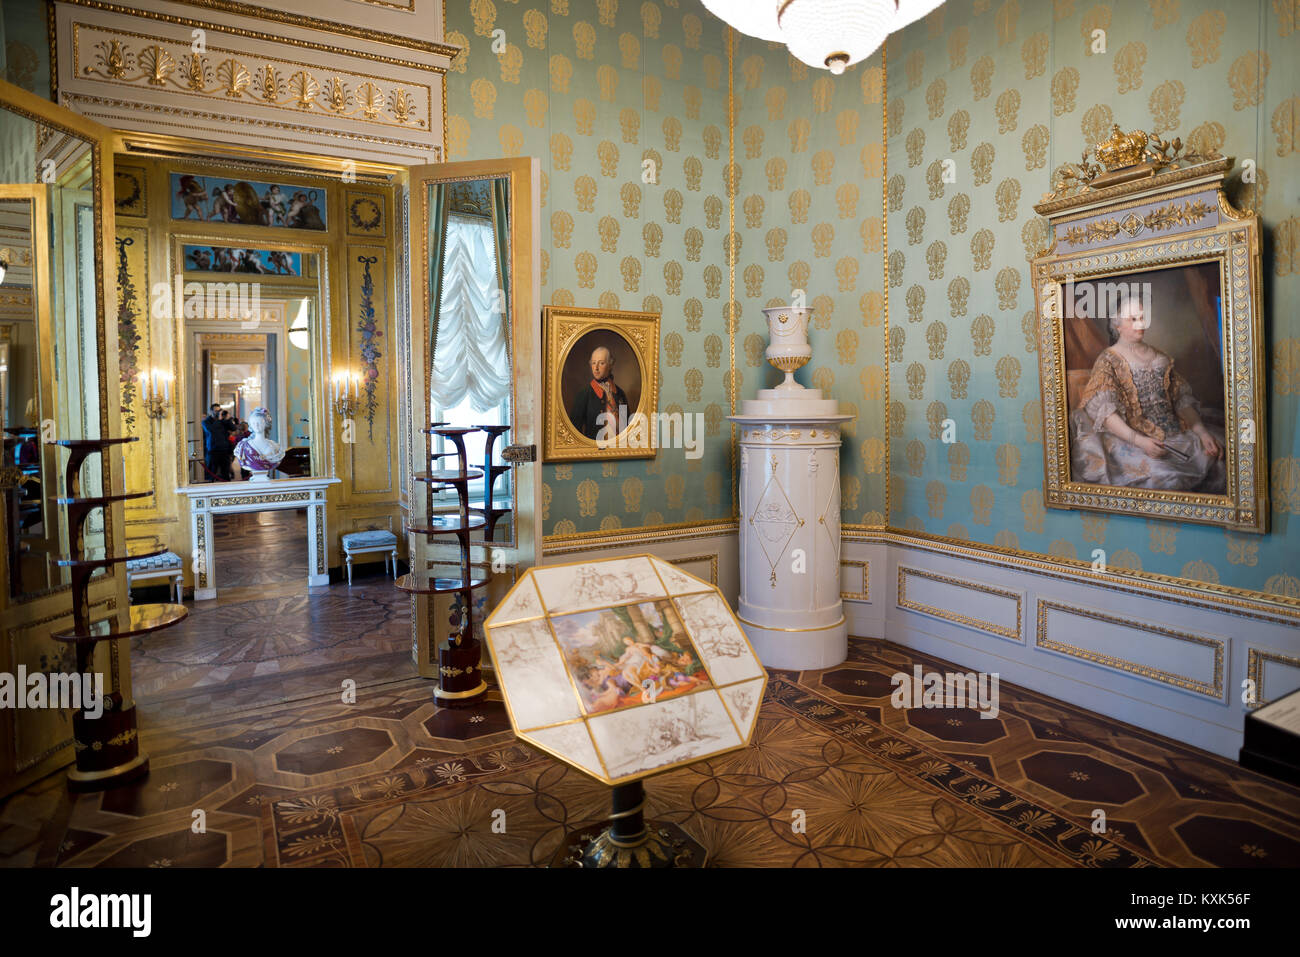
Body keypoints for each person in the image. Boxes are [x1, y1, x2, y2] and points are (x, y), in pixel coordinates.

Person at [1071, 293, 1225, 492]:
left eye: (1142, 317)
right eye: (1132, 319)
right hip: (1131, 439)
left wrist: (1202, 433)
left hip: (1177, 434)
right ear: (1117, 325)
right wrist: (1140, 441)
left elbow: (1180, 400)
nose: (1140, 323)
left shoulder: (1161, 357)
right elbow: (1107, 413)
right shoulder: (1108, 360)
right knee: (1169, 479)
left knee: (1218, 460)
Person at [569, 345, 630, 439]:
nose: (596, 368)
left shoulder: (620, 394)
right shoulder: (584, 394)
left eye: (601, 363)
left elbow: (626, 428)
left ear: (610, 365)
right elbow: (574, 431)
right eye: (593, 363)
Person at [200, 403, 224, 481]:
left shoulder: (222, 421)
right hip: (212, 448)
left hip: (223, 448)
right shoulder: (206, 422)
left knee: (224, 473)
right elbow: (211, 430)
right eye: (215, 411)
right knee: (211, 471)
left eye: (218, 410)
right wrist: (219, 421)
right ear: (211, 411)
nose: (217, 412)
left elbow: (231, 429)